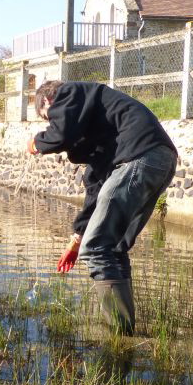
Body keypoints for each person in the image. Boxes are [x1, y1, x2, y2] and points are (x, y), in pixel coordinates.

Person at [27, 80, 177, 335]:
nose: (50, 123)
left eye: (47, 118)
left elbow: (61, 135)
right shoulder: (104, 136)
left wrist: (37, 142)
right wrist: (76, 240)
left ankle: (118, 332)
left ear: (47, 102)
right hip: (160, 161)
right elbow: (95, 191)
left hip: (141, 158)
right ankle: (125, 331)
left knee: (96, 248)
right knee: (112, 247)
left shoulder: (69, 92)